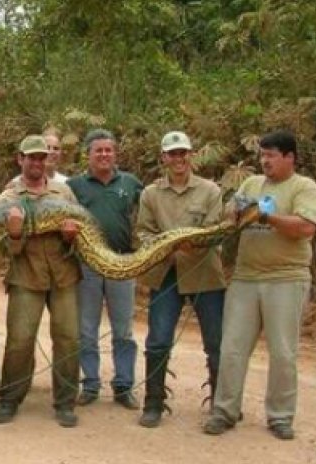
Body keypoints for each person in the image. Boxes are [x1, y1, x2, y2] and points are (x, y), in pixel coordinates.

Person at [204, 130, 316, 440]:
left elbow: (306, 226)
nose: (264, 161)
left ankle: (280, 417)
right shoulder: (251, 184)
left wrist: (267, 217)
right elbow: (230, 215)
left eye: (271, 155)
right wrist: (238, 211)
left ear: (290, 157)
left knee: (283, 352)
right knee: (232, 347)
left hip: (286, 278)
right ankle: (224, 412)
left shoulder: (304, 187)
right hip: (245, 277)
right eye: (263, 155)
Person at [135, 131, 226, 427]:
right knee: (158, 341)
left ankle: (221, 405)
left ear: (191, 156)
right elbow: (144, 231)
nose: (178, 158)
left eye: (183, 153)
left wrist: (181, 243)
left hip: (206, 275)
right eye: (172, 153)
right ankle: (153, 404)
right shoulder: (150, 193)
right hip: (165, 274)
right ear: (163, 158)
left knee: (216, 342)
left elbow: (214, 231)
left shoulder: (210, 190)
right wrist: (166, 247)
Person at [0, 135, 82, 427]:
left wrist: (71, 236)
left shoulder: (64, 192)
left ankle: (66, 402)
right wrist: (16, 234)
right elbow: (4, 246)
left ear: (48, 160)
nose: (37, 162)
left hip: (63, 275)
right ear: (20, 159)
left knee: (68, 338)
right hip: (26, 276)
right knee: (20, 340)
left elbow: (81, 234)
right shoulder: (8, 198)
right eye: (31, 157)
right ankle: (9, 399)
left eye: (41, 157)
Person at [67, 129, 143, 409]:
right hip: (86, 266)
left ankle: (123, 386)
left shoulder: (131, 183)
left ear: (116, 154)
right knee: (86, 329)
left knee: (123, 330)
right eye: (97, 151)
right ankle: (90, 385)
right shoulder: (74, 186)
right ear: (88, 155)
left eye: (108, 150)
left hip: (122, 263)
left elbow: (146, 216)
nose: (103, 155)